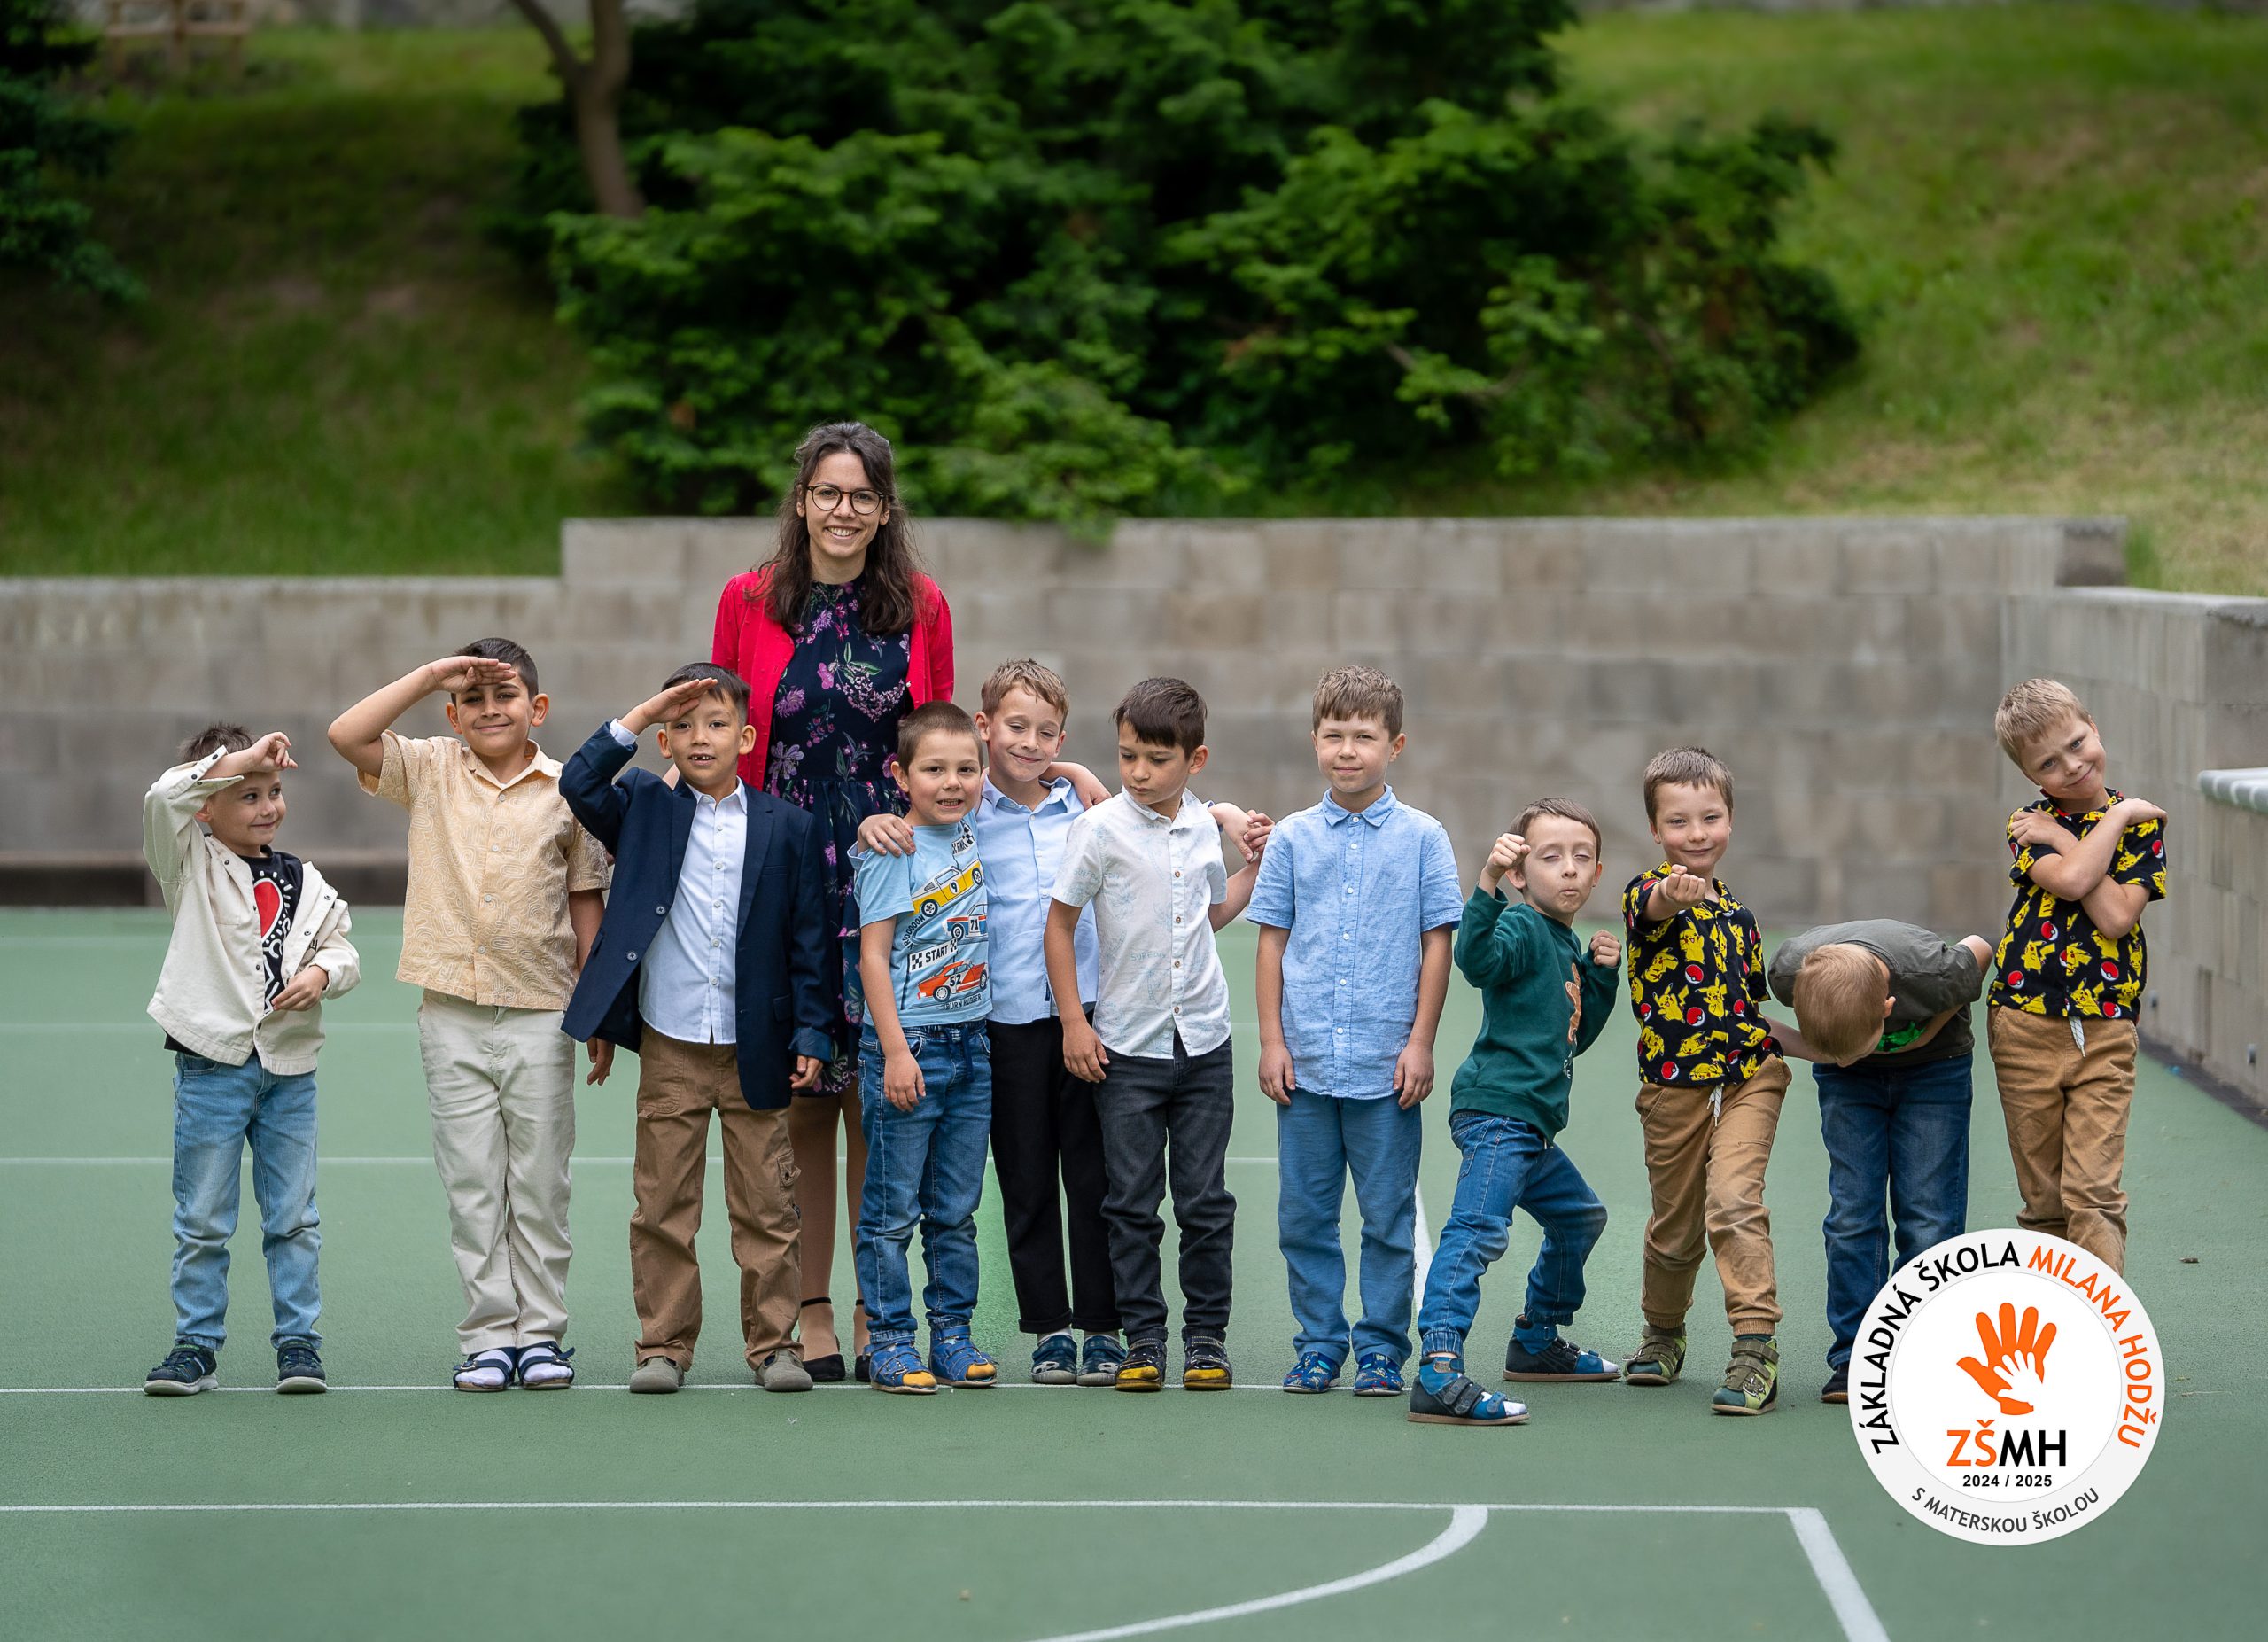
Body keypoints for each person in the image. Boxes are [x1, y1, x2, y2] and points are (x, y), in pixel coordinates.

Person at [707, 421, 951, 1381]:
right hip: (786, 869)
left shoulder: (920, 604)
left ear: (884, 509)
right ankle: (809, 1304)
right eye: (826, 492)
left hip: (889, 876)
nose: (842, 510)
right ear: (802, 500)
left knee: (876, 1103)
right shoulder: (749, 598)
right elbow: (723, 727)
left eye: (861, 496)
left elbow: (938, 742)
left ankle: (872, 1302)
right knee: (807, 1094)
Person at [329, 640, 610, 1391]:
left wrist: (597, 1009)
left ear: (537, 708)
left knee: (541, 1183)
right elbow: (346, 734)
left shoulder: (569, 789)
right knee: (474, 1182)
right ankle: (489, 1335)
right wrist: (429, 675)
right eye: (473, 700)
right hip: (449, 1013)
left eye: (505, 696)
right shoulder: (428, 768)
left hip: (542, 1012)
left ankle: (541, 1334)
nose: (490, 710)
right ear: (452, 715)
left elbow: (586, 896)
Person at [558, 665, 836, 1394]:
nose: (700, 736)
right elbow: (579, 781)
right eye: (682, 725)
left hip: (758, 1046)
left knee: (768, 1206)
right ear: (664, 741)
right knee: (662, 1205)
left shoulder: (788, 826)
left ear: (746, 738)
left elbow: (810, 940)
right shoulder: (643, 807)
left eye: (716, 723)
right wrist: (644, 710)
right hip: (671, 1044)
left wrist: (812, 1031)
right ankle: (663, 1345)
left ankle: (775, 1346)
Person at [1045, 677, 1269, 1393]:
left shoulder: (1204, 827)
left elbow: (1208, 915)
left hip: (1204, 1045)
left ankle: (1207, 1339)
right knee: (1131, 1204)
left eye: (1156, 759)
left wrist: (1253, 867)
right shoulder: (1099, 829)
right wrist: (1074, 1021)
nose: (1138, 772)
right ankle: (1143, 1338)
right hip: (1125, 1050)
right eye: (1127, 756)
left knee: (1204, 1202)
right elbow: (1059, 925)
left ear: (1195, 759)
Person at [1247, 665, 1460, 1397]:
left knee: (1387, 1218)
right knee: (1305, 1217)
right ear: (1314, 740)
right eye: (1333, 735)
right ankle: (1318, 1344)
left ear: (1394, 745)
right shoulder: (1292, 838)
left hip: (1385, 1065)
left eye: (1364, 736)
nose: (1347, 750)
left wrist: (1421, 1041)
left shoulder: (1425, 838)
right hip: (1304, 1064)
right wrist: (1272, 1040)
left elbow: (1437, 942)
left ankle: (1380, 1349)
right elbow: (1271, 941)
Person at [141, 726, 360, 1396]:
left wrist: (322, 974)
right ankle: (195, 1346)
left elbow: (343, 948)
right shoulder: (188, 861)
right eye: (248, 794)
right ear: (208, 805)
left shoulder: (303, 878)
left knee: (294, 1217)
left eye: (275, 792)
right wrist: (238, 760)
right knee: (203, 1219)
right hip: (212, 1066)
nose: (268, 807)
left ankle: (299, 1345)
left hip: (289, 1072)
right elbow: (164, 796)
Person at [1408, 803, 1621, 1426]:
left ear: (1597, 872)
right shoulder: (1523, 925)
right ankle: (1438, 1370)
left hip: (1531, 1128)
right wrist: (1486, 881)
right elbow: (1477, 960)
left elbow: (1572, 1036)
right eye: (1551, 857)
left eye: (1582, 857)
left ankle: (1535, 1341)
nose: (1569, 868)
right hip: (1500, 1114)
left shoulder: (1566, 943)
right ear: (1523, 874)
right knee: (1476, 1231)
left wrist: (1601, 978)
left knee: (1580, 1217)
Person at [1619, 746, 1791, 1415]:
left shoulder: (1742, 919)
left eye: (1710, 818)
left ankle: (1755, 1346)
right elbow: (1655, 906)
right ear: (1656, 829)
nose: (1697, 834)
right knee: (1676, 1229)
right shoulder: (1646, 893)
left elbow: (1753, 1018)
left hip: (1750, 1078)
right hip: (1673, 1089)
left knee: (1734, 1201)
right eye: (1679, 821)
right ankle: (1663, 1331)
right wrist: (1673, 891)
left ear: (1731, 819)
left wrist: (1835, 1047)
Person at [1767, 921, 1994, 1404]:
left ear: (1889, 1008)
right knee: (1853, 1213)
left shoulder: (1933, 974)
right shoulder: (1789, 971)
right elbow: (1756, 1019)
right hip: (1847, 1080)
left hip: (1935, 1071)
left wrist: (1925, 1034)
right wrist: (1837, 1054)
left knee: (1929, 1217)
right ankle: (1856, 1355)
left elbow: (1980, 947)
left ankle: (1917, 1354)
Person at [1984, 678, 2166, 1274]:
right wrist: (2093, 825)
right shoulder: (2027, 823)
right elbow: (2068, 881)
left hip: (2105, 1029)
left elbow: (2115, 917)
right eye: (2049, 763)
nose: (2071, 765)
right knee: (2044, 1204)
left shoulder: (2139, 826)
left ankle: (2103, 1323)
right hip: (2023, 1027)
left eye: (2078, 743)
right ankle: (2053, 1321)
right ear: (2032, 777)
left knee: (2093, 1194)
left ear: (2095, 729)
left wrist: (2111, 818)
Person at [850, 701, 1000, 1393]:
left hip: (974, 1046)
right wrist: (896, 1050)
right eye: (934, 769)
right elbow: (872, 958)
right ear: (900, 774)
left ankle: (953, 1335)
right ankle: (889, 1341)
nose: (952, 782)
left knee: (955, 1211)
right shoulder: (891, 848)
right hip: (909, 1046)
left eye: (966, 769)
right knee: (891, 1214)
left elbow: (1038, 769)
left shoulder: (973, 828)